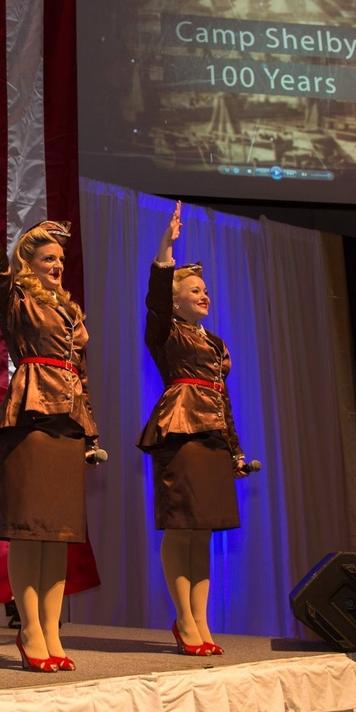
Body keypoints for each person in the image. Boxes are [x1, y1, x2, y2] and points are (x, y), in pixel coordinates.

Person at [0, 146, 101, 673]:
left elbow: (80, 376)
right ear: (28, 263)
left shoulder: (70, 315)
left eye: (61, 260)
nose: (58, 266)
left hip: (68, 421)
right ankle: (30, 629)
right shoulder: (15, 294)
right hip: (30, 412)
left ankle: (52, 631)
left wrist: (93, 432)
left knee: (58, 532)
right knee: (29, 526)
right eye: (48, 259)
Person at [137, 201, 249, 656]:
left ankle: (202, 621)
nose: (205, 296)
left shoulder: (216, 343)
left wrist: (236, 451)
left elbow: (224, 400)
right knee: (181, 526)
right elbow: (155, 299)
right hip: (180, 431)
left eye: (207, 291)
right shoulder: (165, 330)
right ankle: (183, 618)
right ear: (177, 299)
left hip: (213, 437)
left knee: (203, 531)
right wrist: (167, 248)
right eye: (196, 290)